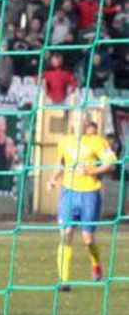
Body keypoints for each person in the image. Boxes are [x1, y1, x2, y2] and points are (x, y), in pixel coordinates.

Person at [50, 117, 117, 290]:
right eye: (76, 118)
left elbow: (111, 164)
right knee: (66, 234)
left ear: (87, 123)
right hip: (69, 193)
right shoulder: (64, 141)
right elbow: (61, 164)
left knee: (88, 239)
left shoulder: (97, 142)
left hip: (90, 194)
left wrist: (91, 171)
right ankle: (64, 281)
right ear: (72, 122)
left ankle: (96, 264)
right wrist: (53, 179)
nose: (79, 122)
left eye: (83, 119)